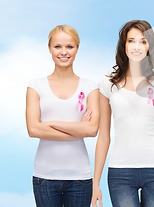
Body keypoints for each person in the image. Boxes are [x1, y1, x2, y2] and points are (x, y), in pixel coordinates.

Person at [91, 20, 154, 207]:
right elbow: (104, 136)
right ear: (123, 45)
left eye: (143, 41)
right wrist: (95, 182)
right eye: (131, 41)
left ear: (150, 46)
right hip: (120, 172)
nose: (137, 47)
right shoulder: (107, 83)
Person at [26, 25, 100, 207]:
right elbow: (33, 129)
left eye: (69, 46)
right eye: (57, 46)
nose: (63, 52)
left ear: (77, 48)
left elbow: (91, 130)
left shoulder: (90, 87)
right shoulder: (36, 86)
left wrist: (50, 124)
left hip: (80, 178)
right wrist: (78, 129)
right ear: (49, 49)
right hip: (45, 177)